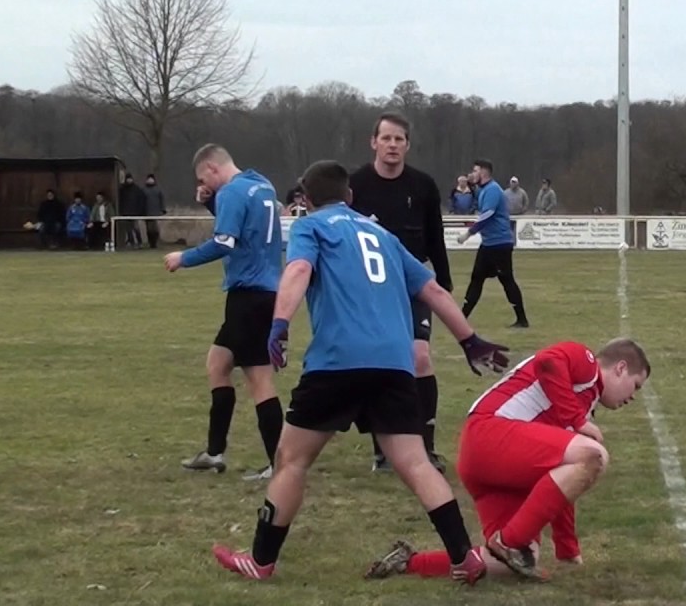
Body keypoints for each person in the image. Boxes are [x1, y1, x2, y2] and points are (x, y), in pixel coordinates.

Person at [210, 160, 509, 585]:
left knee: (291, 459)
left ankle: (260, 560)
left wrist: (279, 324)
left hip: (337, 362)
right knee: (416, 463)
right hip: (394, 364)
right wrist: (469, 340)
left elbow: (298, 270)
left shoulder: (311, 227)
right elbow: (432, 288)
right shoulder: (382, 234)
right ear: (349, 196)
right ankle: (463, 555)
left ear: (305, 200)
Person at [364, 339, 650, 583]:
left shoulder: (581, 403)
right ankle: (508, 542)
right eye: (635, 386)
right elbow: (548, 361)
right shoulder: (585, 363)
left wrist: (568, 550)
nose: (632, 397)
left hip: (491, 461)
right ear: (620, 368)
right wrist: (577, 421)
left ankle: (409, 562)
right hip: (490, 435)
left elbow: (565, 484)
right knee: (594, 455)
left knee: (512, 563)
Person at [165, 144, 284, 482]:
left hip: (249, 295)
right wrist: (209, 202)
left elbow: (224, 241)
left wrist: (183, 258)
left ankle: (280, 464)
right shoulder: (261, 184)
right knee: (217, 364)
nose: (204, 185)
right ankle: (214, 452)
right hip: (265, 291)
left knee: (259, 380)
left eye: (204, 180)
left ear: (212, 169)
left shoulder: (232, 191)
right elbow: (245, 223)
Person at [349, 112, 455, 474]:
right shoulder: (355, 185)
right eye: (386, 138)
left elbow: (435, 236)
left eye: (399, 139)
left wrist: (443, 283)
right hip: (368, 288)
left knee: (420, 357)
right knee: (378, 363)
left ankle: (426, 448)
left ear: (407, 145)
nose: (392, 145)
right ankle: (383, 448)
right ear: (373, 142)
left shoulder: (423, 186)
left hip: (413, 285)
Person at [457, 159, 529, 328]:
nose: (472, 174)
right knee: (477, 278)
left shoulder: (493, 190)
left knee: (507, 280)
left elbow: (487, 216)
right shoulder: (483, 190)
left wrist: (468, 233)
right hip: (489, 244)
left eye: (475, 171)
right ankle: (461, 318)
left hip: (499, 244)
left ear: (483, 172)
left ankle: (522, 320)